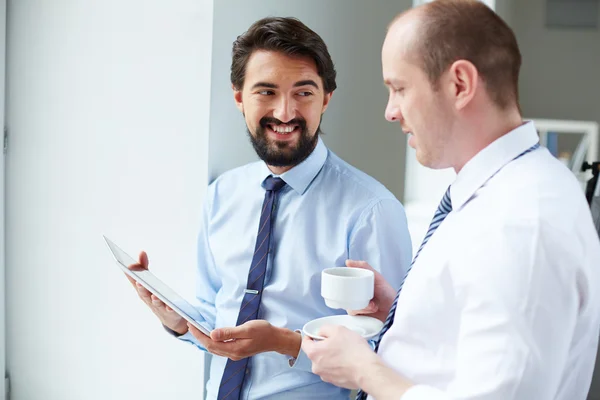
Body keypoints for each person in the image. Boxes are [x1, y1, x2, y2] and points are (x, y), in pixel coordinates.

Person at [301, 1, 600, 399]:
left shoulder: (522, 221)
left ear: (460, 84)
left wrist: (363, 369)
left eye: (400, 88)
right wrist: (404, 313)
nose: (391, 112)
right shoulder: (496, 195)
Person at [126, 16, 412, 400]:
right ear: (239, 96)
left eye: (304, 93)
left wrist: (289, 343)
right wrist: (179, 322)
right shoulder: (221, 195)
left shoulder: (371, 211)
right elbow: (217, 320)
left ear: (326, 98)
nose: (284, 113)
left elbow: (392, 356)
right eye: (266, 92)